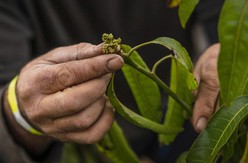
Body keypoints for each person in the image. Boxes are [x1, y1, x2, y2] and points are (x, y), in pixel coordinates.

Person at [0, 0, 223, 162]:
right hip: (69, 145)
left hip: (182, 122)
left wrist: (229, 58)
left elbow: (226, 30)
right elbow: (7, 93)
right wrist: (19, 114)